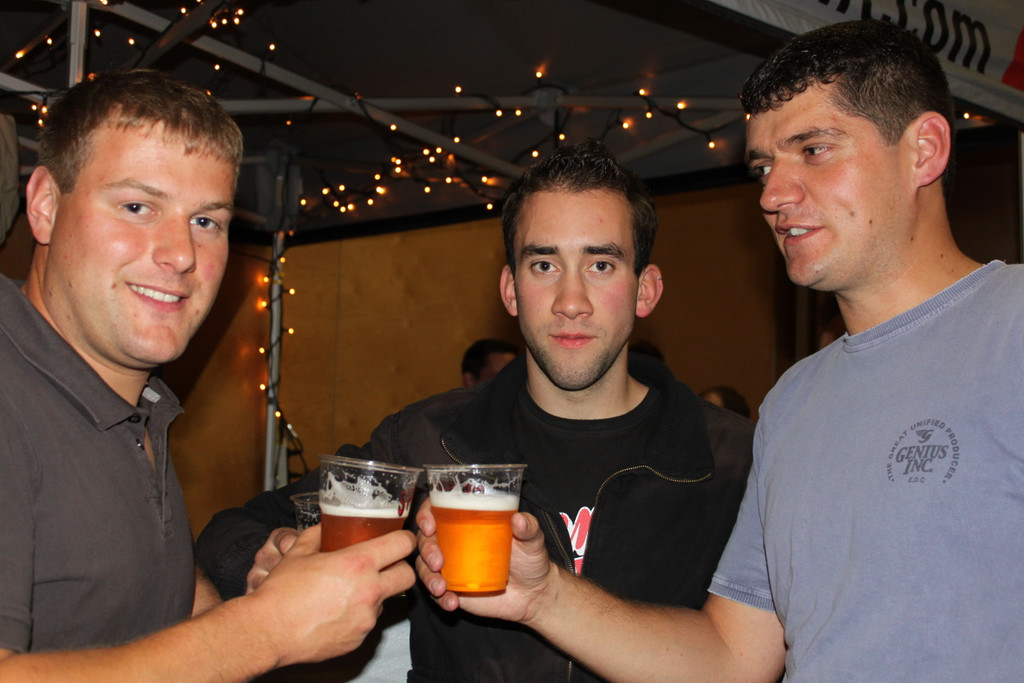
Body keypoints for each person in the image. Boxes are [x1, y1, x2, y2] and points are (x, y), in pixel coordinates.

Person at [415, 19, 1024, 681]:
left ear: (924, 150)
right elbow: (733, 658)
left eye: (814, 150)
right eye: (763, 167)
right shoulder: (793, 404)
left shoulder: (1010, 327)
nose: (772, 195)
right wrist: (543, 596)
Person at [195, 139, 754, 682]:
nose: (571, 301)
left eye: (601, 265)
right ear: (510, 290)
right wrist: (263, 558)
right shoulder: (429, 438)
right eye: (544, 265)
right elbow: (233, 529)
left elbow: (749, 658)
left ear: (645, 290)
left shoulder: (735, 462)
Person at [0, 69, 414, 681]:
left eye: (206, 221)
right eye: (137, 206)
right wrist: (263, 632)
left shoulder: (134, 399)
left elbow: (138, 588)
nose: (181, 255)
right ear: (44, 206)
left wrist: (266, 594)